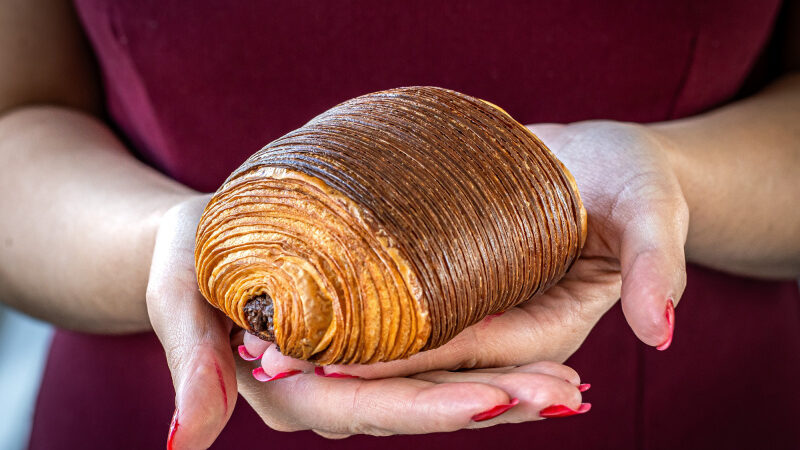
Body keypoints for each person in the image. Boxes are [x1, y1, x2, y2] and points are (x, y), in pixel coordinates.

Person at [1, 1, 798, 449]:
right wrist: (164, 241)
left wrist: (676, 175)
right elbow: (17, 122)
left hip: (699, 407)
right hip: (156, 391)